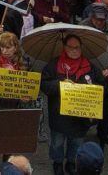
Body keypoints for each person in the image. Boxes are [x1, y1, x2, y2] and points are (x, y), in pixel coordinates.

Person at [42, 34, 100, 175]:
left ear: (81, 48)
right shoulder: (54, 65)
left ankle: (71, 162)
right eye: (70, 47)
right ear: (64, 47)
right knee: (57, 143)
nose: (74, 50)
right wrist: (60, 84)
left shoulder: (90, 67)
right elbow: (44, 85)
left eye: (77, 47)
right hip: (59, 117)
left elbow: (99, 87)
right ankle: (57, 163)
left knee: (76, 143)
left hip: (80, 118)